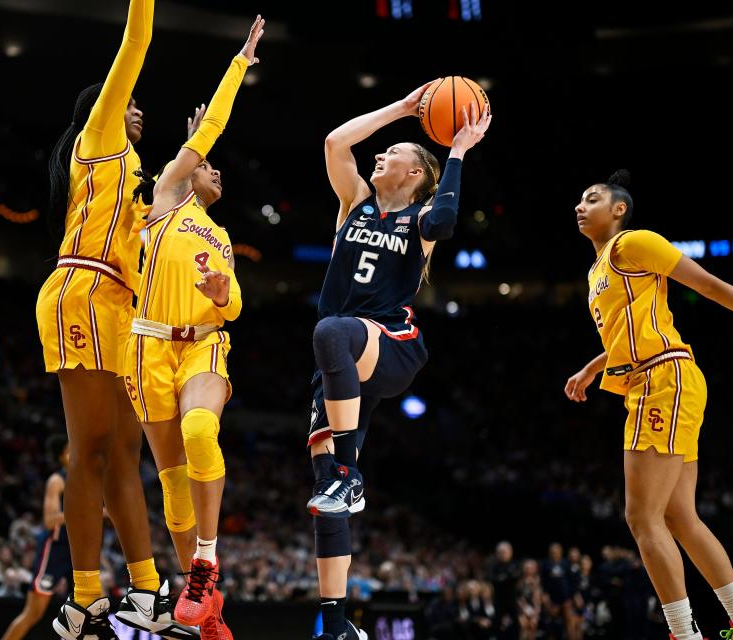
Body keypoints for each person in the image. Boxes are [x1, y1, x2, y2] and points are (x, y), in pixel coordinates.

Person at [34, 1, 197, 637]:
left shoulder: (135, 178)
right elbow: (137, 39)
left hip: (122, 309)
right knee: (91, 451)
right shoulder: (97, 141)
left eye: (134, 108)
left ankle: (146, 588)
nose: (135, 109)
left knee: (128, 457)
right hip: (81, 289)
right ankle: (80, 597)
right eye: (123, 102)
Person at [306, 82, 490, 640]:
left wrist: (457, 151)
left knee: (331, 330)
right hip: (339, 366)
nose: (382, 154)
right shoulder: (353, 204)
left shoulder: (419, 222)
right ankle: (337, 626)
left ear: (415, 176)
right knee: (325, 503)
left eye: (396, 154)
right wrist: (404, 110)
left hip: (391, 345)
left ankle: (349, 474)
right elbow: (337, 142)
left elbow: (445, 223)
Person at [121, 15, 265, 640]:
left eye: (215, 170)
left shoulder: (223, 236)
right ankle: (206, 609)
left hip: (202, 347)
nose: (217, 173)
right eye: (210, 167)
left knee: (202, 427)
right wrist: (239, 64)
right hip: (147, 348)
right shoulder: (169, 196)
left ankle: (206, 560)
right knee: (172, 485)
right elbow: (208, 133)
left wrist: (221, 292)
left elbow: (233, 308)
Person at [564, 170, 733, 640]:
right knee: (678, 516)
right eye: (579, 201)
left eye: (592, 199)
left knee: (641, 516)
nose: (580, 206)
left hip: (663, 378)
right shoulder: (599, 267)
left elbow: (704, 283)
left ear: (618, 209)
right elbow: (629, 332)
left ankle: (684, 635)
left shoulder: (632, 244)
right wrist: (593, 366)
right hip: (656, 379)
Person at [0, 435, 71, 640]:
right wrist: (96, 512)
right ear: (60, 456)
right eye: (69, 449)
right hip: (55, 548)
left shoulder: (85, 477)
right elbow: (50, 520)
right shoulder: (57, 480)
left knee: (91, 608)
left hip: (77, 550)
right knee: (34, 613)